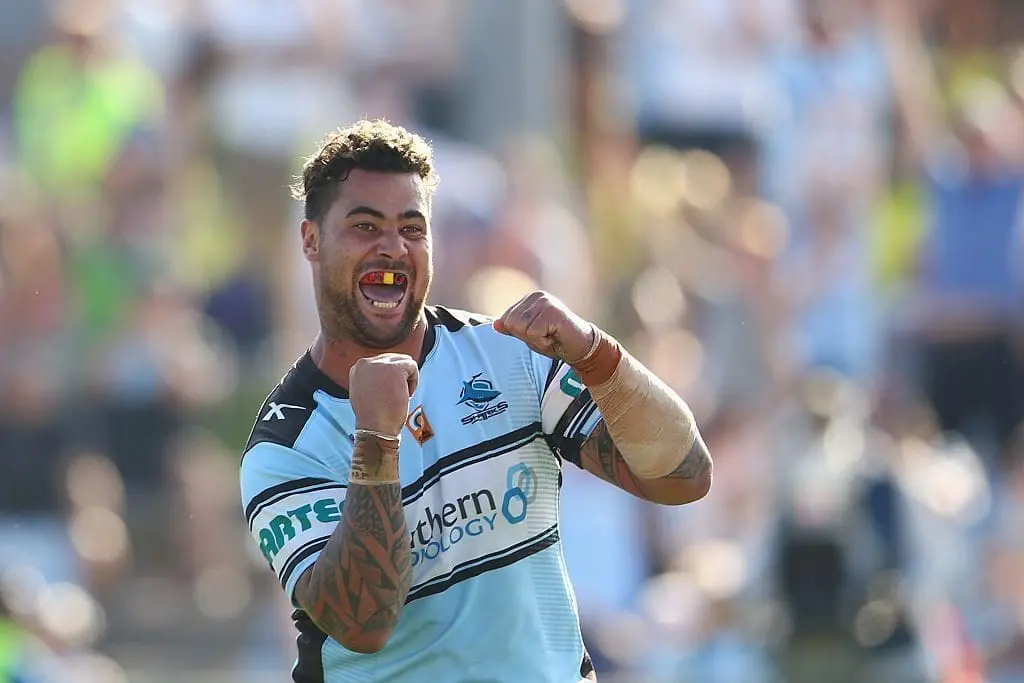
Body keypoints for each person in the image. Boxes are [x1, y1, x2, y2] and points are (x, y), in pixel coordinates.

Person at [239, 119, 713, 682]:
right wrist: (376, 440)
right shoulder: (286, 444)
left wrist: (599, 358)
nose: (392, 247)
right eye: (365, 226)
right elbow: (362, 624)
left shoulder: (508, 356)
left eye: (412, 228)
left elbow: (682, 477)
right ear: (311, 241)